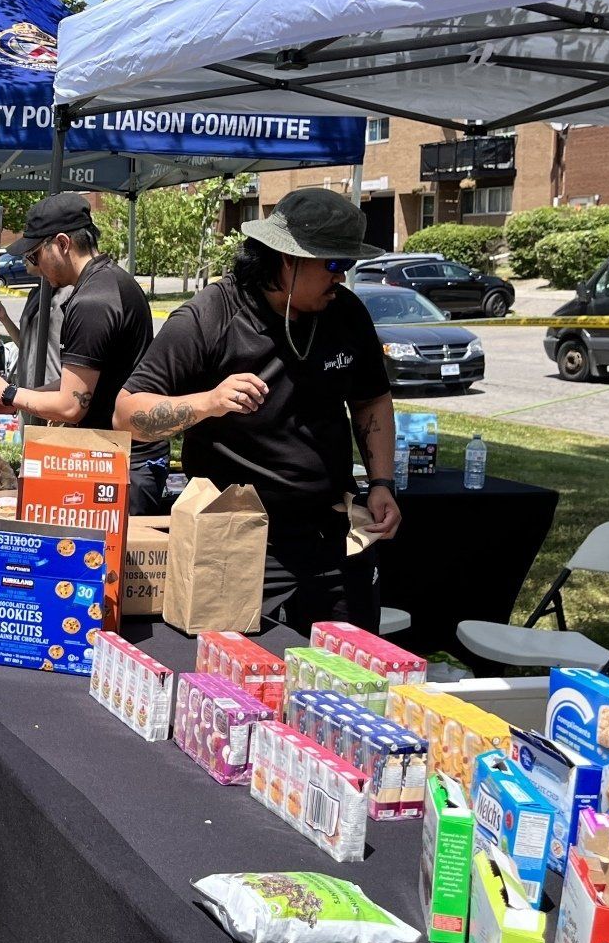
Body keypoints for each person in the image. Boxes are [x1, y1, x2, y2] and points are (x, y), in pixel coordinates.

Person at [115, 187, 403, 631]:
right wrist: (207, 403)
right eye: (334, 264)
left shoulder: (346, 313)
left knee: (349, 662)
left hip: (332, 527)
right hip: (232, 533)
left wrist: (382, 481)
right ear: (288, 258)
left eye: (348, 263)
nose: (342, 276)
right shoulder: (211, 316)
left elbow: (371, 399)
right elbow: (127, 414)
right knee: (237, 667)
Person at [0, 192, 166, 514]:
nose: (34, 267)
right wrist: (12, 398)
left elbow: (71, 406)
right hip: (121, 455)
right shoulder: (112, 282)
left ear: (61, 243)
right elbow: (82, 382)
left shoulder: (92, 303)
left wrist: (8, 393)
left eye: (34, 256)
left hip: (121, 464)